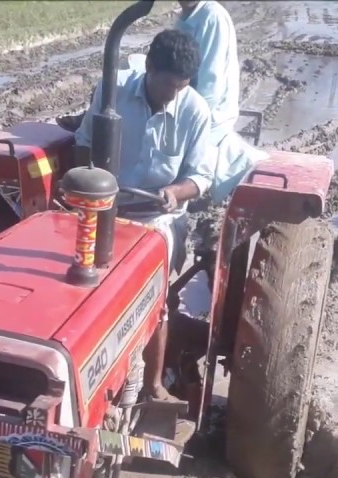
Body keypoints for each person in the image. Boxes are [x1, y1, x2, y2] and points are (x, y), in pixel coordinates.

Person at [73, 29, 213, 403]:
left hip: (158, 217)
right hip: (106, 207)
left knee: (153, 292)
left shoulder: (194, 109)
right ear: (149, 67)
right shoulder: (113, 89)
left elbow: (200, 177)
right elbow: (84, 144)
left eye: (181, 87)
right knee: (78, 279)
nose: (173, 94)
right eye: (168, 85)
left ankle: (152, 387)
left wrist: (175, 192)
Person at [176, 0, 240, 136]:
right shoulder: (184, 18)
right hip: (187, 111)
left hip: (212, 121)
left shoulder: (212, 16)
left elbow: (210, 84)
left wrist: (188, 125)